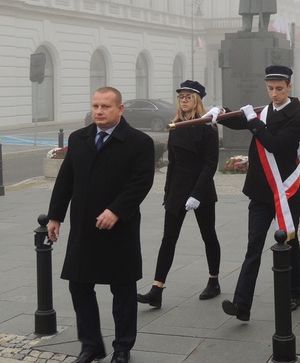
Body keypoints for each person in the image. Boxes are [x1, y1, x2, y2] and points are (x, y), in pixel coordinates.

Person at [47, 87, 155, 363]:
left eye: (106, 106)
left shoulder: (138, 142)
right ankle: (91, 344)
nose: (99, 111)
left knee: (123, 291)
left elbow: (141, 182)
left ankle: (122, 348)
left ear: (120, 109)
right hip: (84, 227)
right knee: (79, 286)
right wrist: (55, 216)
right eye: (95, 106)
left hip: (120, 229)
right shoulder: (79, 138)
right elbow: (65, 180)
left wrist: (117, 211)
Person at [214, 65, 300, 320]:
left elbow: (274, 143)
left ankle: (293, 292)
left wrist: (254, 121)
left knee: (289, 243)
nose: (274, 94)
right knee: (253, 248)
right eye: (270, 89)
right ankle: (241, 305)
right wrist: (221, 113)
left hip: (285, 192)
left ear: (289, 87)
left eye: (280, 89)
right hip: (260, 193)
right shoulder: (264, 111)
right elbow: (238, 121)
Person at [137, 80, 221, 308]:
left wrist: (196, 194)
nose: (184, 100)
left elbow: (210, 164)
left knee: (208, 234)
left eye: (188, 96)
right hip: (177, 188)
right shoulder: (175, 125)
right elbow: (173, 162)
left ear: (197, 100)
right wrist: (168, 191)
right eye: (181, 96)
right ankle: (157, 288)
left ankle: (214, 280)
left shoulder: (207, 126)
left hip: (200, 188)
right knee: (168, 238)